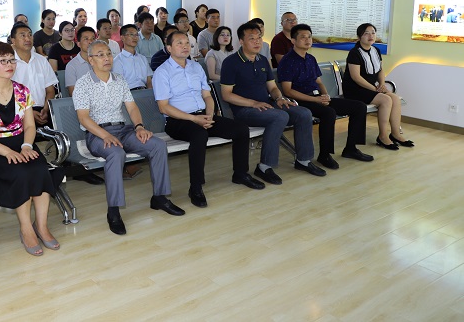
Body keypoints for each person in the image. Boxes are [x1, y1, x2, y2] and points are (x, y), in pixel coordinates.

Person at [74, 40, 185, 235]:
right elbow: (83, 117)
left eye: (109, 54)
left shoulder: (119, 79)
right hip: (97, 134)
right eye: (100, 55)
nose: (107, 58)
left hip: (123, 130)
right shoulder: (83, 84)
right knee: (116, 153)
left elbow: (132, 108)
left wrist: (139, 127)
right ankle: (114, 211)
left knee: (157, 145)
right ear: (91, 60)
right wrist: (105, 135)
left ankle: (159, 198)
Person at [153, 32, 265, 208]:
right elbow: (163, 107)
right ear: (168, 48)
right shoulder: (162, 72)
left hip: (203, 116)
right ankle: (196, 187)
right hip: (178, 121)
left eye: (187, 43)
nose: (185, 46)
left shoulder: (196, 67)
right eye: (179, 43)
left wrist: (210, 115)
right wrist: (194, 119)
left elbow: (207, 95)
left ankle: (240, 174)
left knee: (241, 130)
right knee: (199, 135)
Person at [0, 42, 59, 256]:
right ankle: (26, 229)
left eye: (11, 60)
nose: (9, 64)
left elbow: (30, 126)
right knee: (21, 173)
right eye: (3, 61)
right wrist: (8, 152)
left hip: (22, 144)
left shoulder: (21, 90)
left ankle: (42, 226)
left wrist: (26, 145)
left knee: (40, 169)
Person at [221, 22, 325, 186]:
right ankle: (264, 167)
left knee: (303, 113)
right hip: (244, 110)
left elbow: (273, 87)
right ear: (241, 41)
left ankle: (303, 160)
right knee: (279, 117)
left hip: (267, 105)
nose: (257, 41)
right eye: (252, 38)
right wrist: (253, 103)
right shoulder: (231, 62)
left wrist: (279, 98)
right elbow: (226, 95)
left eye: (259, 38)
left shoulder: (263, 60)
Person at [277, 24, 374, 168]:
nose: (307, 40)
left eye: (309, 37)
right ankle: (325, 155)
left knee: (359, 107)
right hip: (300, 101)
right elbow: (288, 91)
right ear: (293, 41)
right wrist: (315, 99)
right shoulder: (287, 61)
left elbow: (319, 82)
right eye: (303, 37)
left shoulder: (310, 58)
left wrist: (325, 95)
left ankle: (351, 148)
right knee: (329, 113)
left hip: (317, 98)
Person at [342, 23, 414, 150]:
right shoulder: (354, 53)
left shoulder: (376, 50)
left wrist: (382, 84)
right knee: (386, 100)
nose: (371, 36)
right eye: (366, 33)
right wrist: (376, 89)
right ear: (359, 37)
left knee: (395, 99)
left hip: (372, 88)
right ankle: (382, 136)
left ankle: (396, 134)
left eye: (373, 33)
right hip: (355, 90)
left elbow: (380, 70)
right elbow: (356, 77)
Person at [10, 22, 58, 127]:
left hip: (43, 110)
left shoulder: (42, 60)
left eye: (30, 35)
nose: (27, 39)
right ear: (13, 40)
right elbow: (8, 96)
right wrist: (29, 113)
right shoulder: (9, 63)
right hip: (18, 111)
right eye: (22, 35)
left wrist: (46, 110)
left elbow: (50, 91)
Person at [112, 24, 153, 90]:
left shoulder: (143, 58)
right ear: (122, 38)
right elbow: (118, 85)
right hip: (128, 92)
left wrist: (149, 92)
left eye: (136, 35)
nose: (135, 38)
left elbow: (149, 80)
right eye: (131, 34)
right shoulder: (117, 61)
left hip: (144, 91)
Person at [64, 26, 97, 95]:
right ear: (78, 44)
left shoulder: (101, 61)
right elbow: (73, 93)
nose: (90, 42)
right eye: (86, 39)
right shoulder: (71, 66)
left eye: (93, 38)